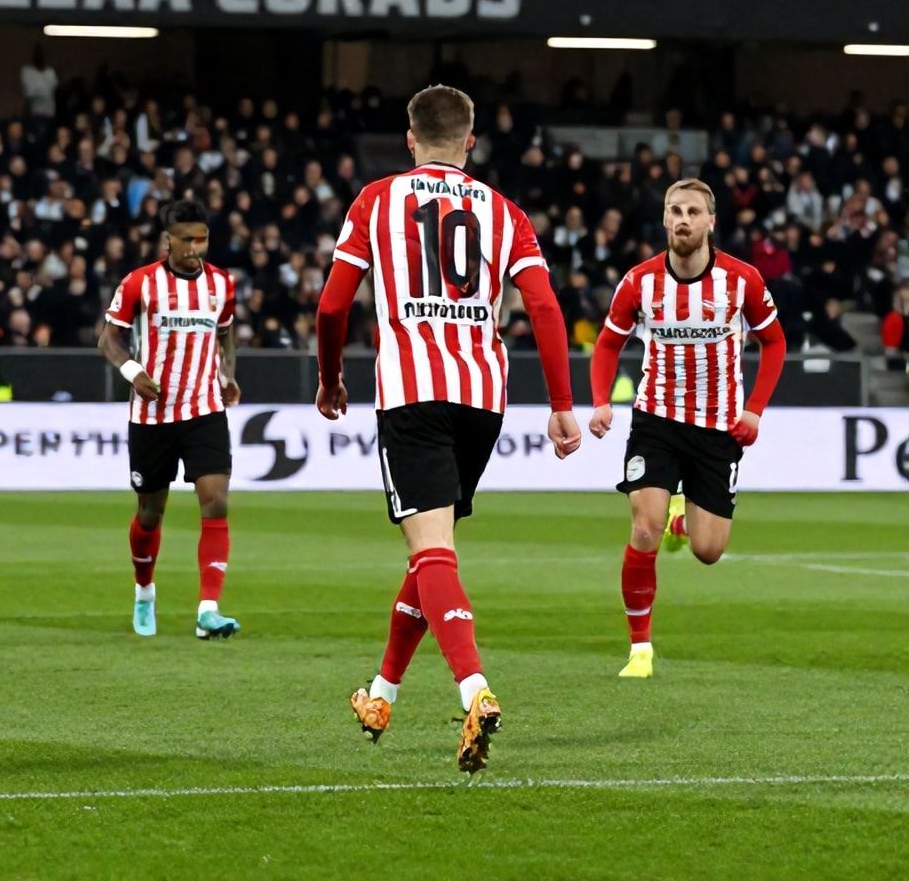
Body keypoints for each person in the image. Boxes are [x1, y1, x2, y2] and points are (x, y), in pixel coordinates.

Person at [315, 84, 580, 773]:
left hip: (411, 392)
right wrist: (561, 402)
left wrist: (330, 377)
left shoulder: (375, 200)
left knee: (432, 550)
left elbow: (332, 306)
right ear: (470, 141)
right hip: (482, 396)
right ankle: (381, 692)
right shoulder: (505, 211)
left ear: (409, 138)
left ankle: (474, 688)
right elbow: (545, 308)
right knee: (429, 550)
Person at [587, 178, 787, 680]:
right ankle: (640, 650)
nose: (683, 219)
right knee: (643, 526)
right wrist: (600, 402)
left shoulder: (742, 281)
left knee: (709, 551)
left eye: (693, 211)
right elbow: (608, 343)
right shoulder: (638, 282)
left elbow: (776, 343)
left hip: (718, 428)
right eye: (675, 210)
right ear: (664, 219)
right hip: (656, 419)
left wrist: (755, 410)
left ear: (711, 221)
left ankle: (684, 521)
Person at [98, 199, 241, 639]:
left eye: (202, 238)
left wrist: (227, 376)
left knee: (215, 500)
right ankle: (144, 592)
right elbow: (109, 339)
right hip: (152, 415)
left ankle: (208, 611)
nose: (196, 247)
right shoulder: (140, 283)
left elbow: (226, 335)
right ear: (168, 240)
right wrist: (133, 372)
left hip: (204, 410)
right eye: (187, 239)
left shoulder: (221, 284)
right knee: (149, 513)